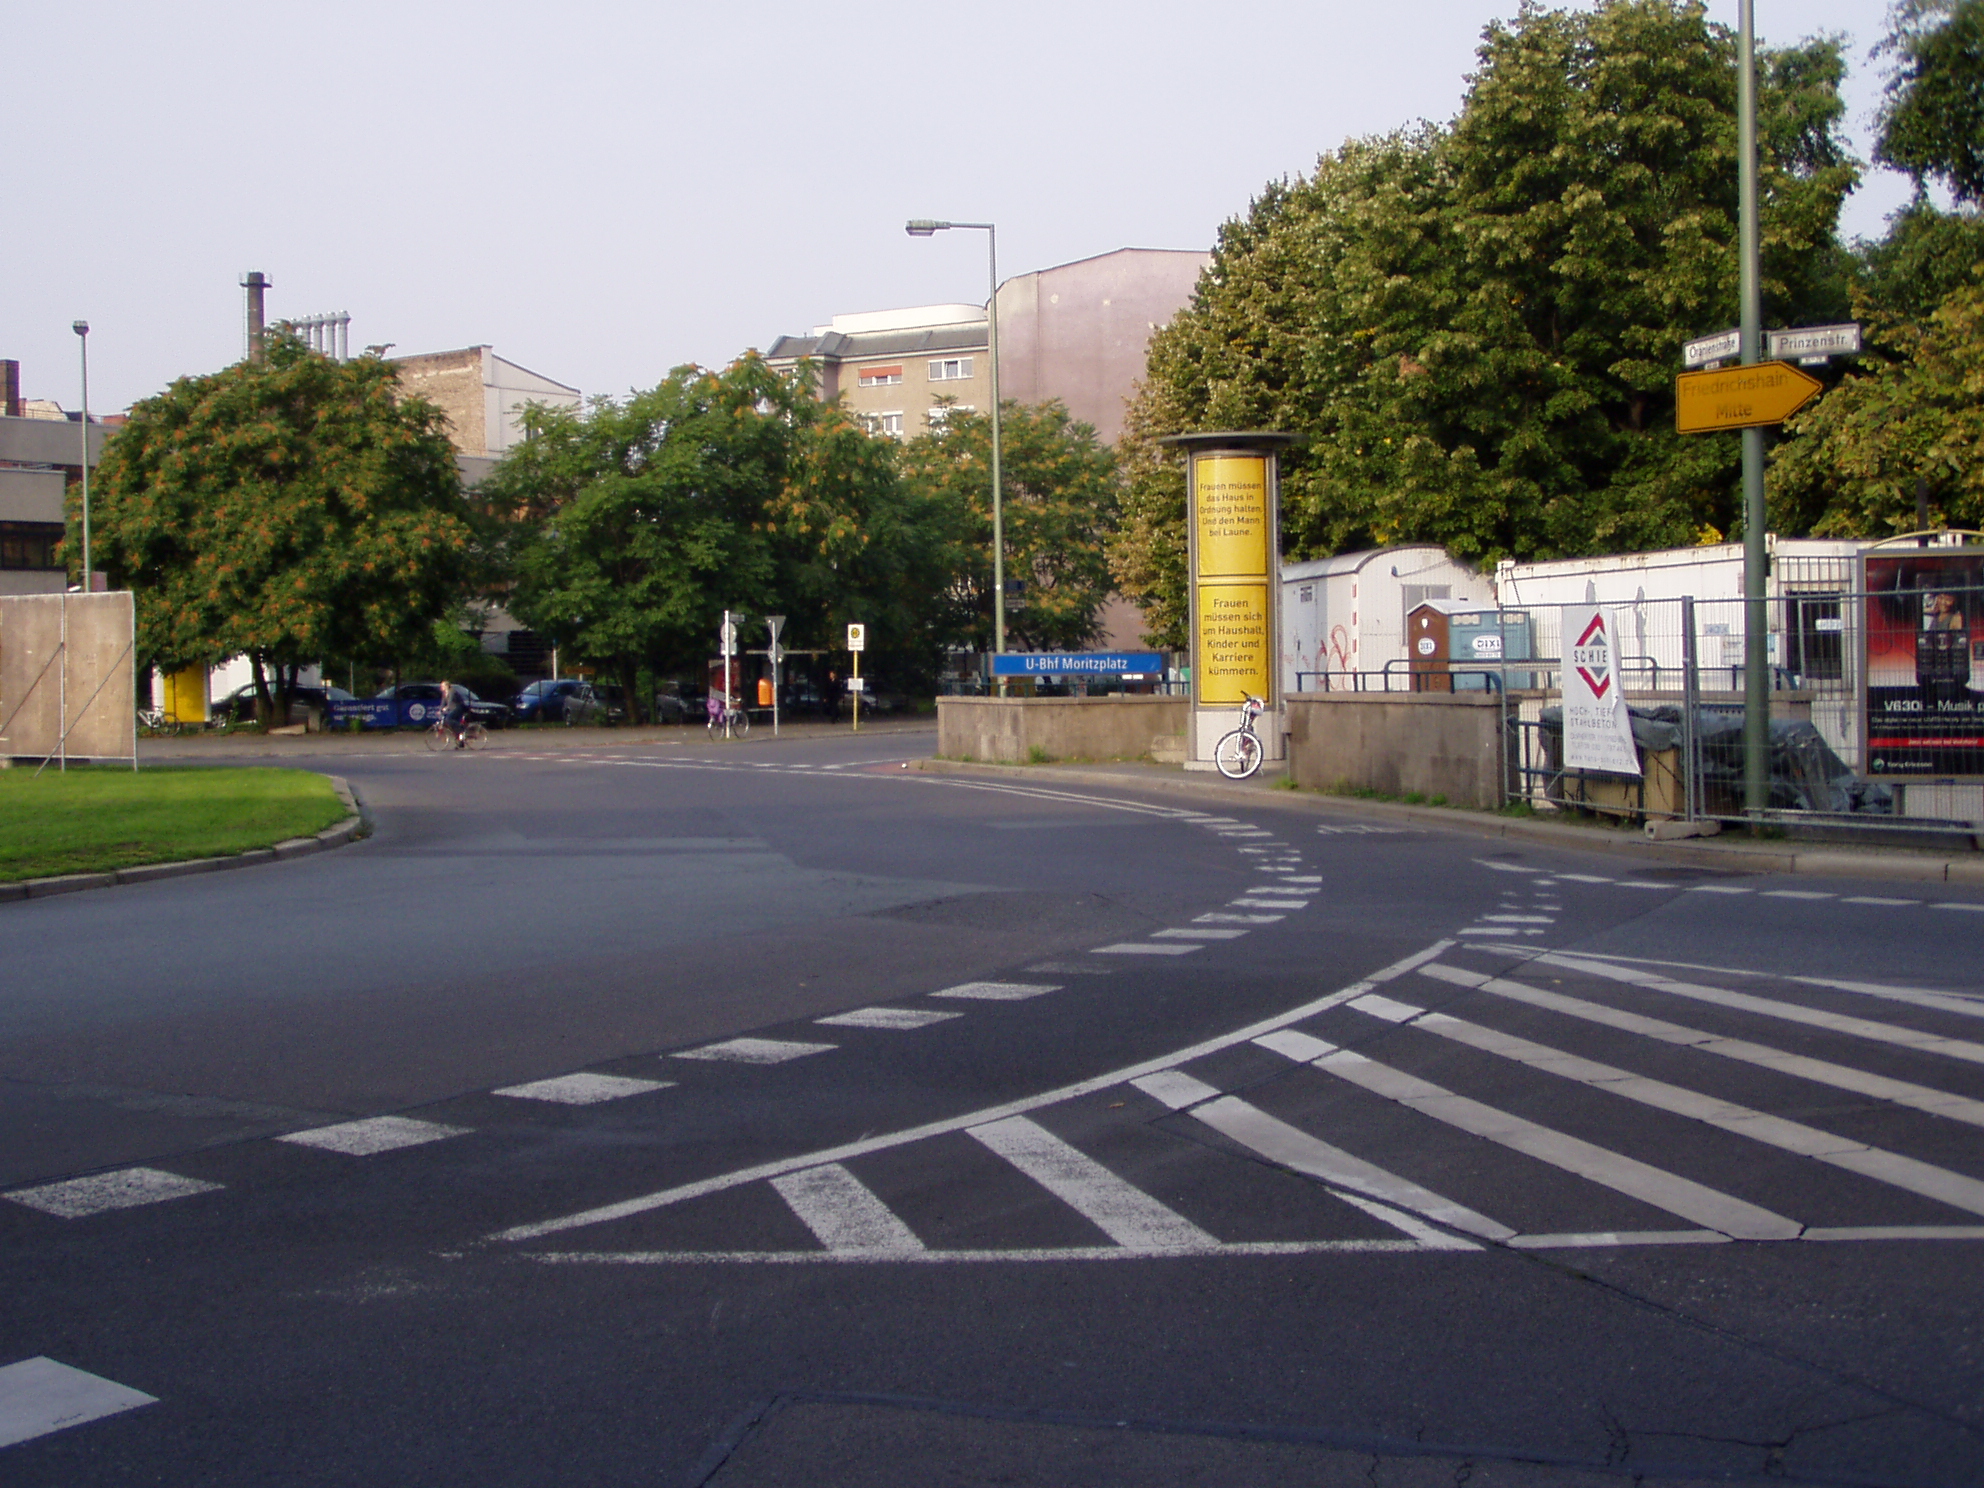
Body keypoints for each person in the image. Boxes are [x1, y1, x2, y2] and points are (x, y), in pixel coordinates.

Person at [440, 679, 471, 748]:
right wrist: (440, 710)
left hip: (459, 708)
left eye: (442, 686)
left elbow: (450, 702)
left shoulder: (452, 692)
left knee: (449, 719)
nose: (441, 687)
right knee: (452, 725)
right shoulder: (444, 693)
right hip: (452, 709)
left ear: (447, 686)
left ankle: (462, 728)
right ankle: (460, 741)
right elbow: (443, 703)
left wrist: (446, 708)